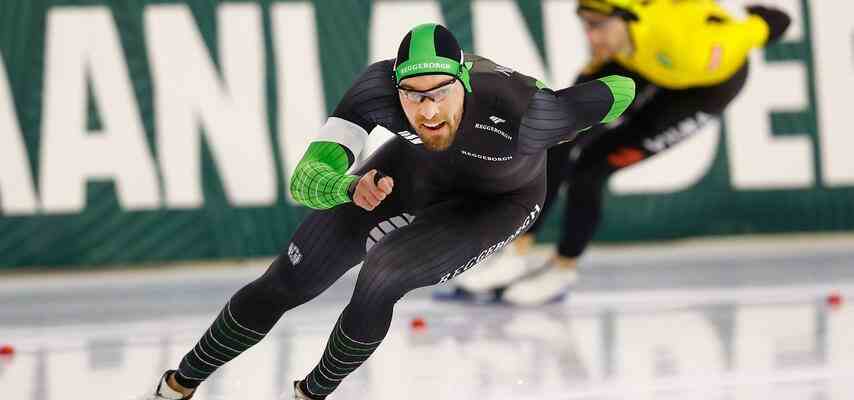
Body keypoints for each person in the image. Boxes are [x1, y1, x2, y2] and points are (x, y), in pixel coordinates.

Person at [143, 22, 634, 400]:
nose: (427, 112)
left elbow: (621, 90)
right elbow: (305, 178)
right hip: (409, 175)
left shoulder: (527, 112)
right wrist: (347, 185)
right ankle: (177, 385)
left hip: (497, 203)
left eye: (440, 93)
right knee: (289, 280)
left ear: (464, 82)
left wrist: (594, 95)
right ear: (395, 87)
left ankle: (310, 394)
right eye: (412, 97)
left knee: (383, 273)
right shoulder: (375, 91)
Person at [448, 0, 792, 306]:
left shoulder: (696, 49)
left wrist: (762, 23)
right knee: (556, 137)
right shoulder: (618, 33)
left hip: (704, 83)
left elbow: (760, 28)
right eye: (585, 24)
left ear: (627, 17)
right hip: (637, 56)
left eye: (597, 27)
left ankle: (562, 268)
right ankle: (518, 250)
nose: (591, 37)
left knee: (592, 168)